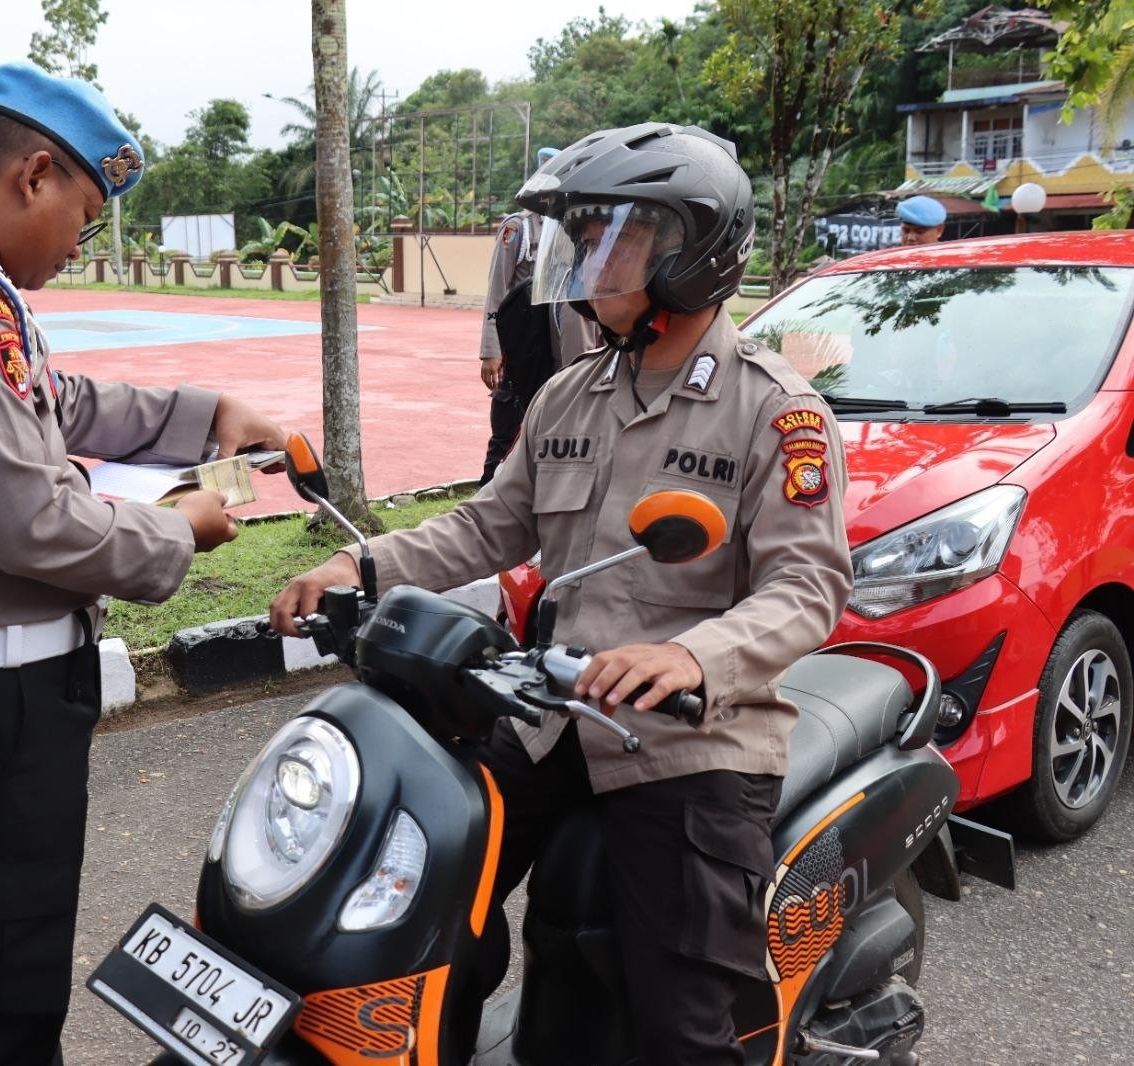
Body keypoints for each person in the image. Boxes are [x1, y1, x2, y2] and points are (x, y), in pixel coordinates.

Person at [271, 123, 852, 1064]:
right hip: (552, 718)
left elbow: (807, 584)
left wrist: (689, 656)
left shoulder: (773, 411)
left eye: (613, 236)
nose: (588, 258)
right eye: (580, 238)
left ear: (691, 251)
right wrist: (359, 566)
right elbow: (489, 525)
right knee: (403, 902)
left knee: (681, 1022)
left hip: (689, 741)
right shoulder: (569, 395)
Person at [0, 62, 284, 1065]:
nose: (80, 246)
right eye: (83, 215)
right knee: (1, 995)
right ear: (33, 175)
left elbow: (55, 400)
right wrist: (179, 530)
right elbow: (29, 523)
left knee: (2, 973)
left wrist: (205, 415)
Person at [479, 146, 601, 485]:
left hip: (552, 345)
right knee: (507, 426)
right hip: (519, 344)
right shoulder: (519, 229)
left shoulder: (570, 227)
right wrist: (491, 351)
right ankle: (488, 493)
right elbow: (497, 291)